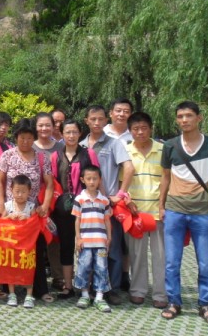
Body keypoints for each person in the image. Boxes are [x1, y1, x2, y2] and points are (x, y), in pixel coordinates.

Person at [159, 101, 208, 325]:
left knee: (205, 263)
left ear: (199, 117)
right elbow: (165, 178)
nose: (184, 120)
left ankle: (205, 304)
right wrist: (161, 206)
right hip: (174, 210)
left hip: (202, 212)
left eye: (189, 115)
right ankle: (174, 302)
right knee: (172, 262)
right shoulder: (170, 146)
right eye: (180, 116)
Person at [80, 105, 134, 304]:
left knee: (112, 248)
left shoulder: (113, 143)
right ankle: (88, 287)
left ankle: (112, 288)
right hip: (86, 206)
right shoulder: (81, 145)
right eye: (93, 119)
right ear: (86, 121)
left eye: (100, 119)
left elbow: (129, 168)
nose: (96, 123)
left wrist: (120, 194)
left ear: (106, 120)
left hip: (108, 205)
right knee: (88, 248)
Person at [0, 118, 54, 303]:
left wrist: (45, 205)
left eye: (29, 138)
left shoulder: (42, 157)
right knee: (9, 249)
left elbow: (49, 184)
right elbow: (0, 181)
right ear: (16, 137)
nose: (26, 141)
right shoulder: (7, 155)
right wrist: (1, 203)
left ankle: (39, 289)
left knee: (34, 250)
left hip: (32, 214)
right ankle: (6, 287)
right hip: (11, 212)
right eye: (22, 137)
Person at [51, 119, 99, 299]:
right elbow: (53, 182)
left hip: (86, 208)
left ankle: (87, 285)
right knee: (66, 245)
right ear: (62, 134)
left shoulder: (89, 153)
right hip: (63, 210)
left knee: (87, 246)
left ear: (80, 133)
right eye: (67, 132)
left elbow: (96, 178)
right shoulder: (56, 156)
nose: (71, 136)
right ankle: (68, 285)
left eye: (74, 132)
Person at [125, 111, 166, 308]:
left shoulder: (163, 150)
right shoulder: (125, 152)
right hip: (135, 213)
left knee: (161, 255)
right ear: (130, 131)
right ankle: (138, 290)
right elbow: (121, 183)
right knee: (137, 255)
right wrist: (127, 200)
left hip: (159, 212)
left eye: (144, 128)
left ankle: (161, 294)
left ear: (151, 128)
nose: (140, 132)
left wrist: (164, 204)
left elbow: (169, 179)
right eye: (135, 129)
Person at [32, 112, 65, 294]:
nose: (44, 128)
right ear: (35, 127)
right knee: (35, 241)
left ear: (53, 127)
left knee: (55, 239)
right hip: (34, 202)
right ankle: (34, 277)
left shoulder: (61, 147)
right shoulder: (30, 145)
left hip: (57, 201)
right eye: (40, 125)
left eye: (48, 125)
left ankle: (58, 277)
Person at [72, 165, 113, 313]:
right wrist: (78, 238)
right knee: (84, 266)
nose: (91, 181)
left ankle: (99, 297)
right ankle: (84, 295)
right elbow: (77, 220)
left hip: (101, 242)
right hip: (85, 242)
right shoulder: (79, 199)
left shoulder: (104, 201)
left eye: (95, 178)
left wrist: (109, 237)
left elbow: (107, 220)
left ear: (100, 180)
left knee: (101, 268)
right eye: (88, 178)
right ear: (82, 180)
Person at [3, 175, 37, 308]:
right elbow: (0, 222)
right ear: (11, 190)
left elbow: (36, 224)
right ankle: (12, 294)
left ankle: (29, 295)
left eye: (23, 192)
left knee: (28, 268)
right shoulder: (8, 205)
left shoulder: (31, 206)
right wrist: (9, 217)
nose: (20, 195)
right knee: (10, 268)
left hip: (27, 245)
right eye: (17, 191)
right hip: (11, 244)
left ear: (29, 192)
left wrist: (27, 219)